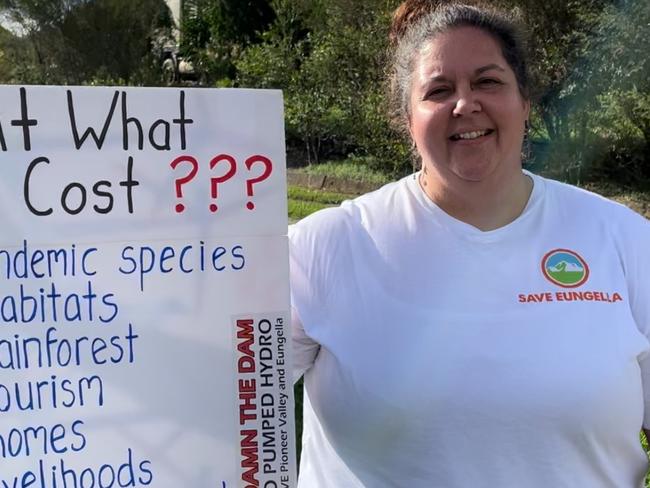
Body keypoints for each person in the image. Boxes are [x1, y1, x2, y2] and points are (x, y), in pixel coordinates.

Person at [288, 1, 650, 486]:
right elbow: (218, 402)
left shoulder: (622, 239)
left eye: (488, 81)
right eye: (438, 90)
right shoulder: (322, 249)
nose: (465, 104)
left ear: (526, 101)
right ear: (406, 119)